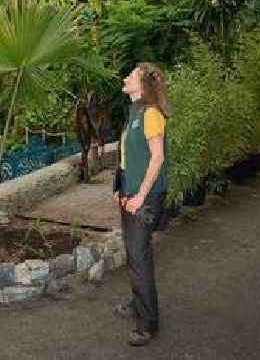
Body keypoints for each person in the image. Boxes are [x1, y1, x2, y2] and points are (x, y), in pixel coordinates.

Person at [112, 62, 170, 347]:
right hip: (130, 196)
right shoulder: (133, 111)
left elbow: (157, 158)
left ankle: (148, 323)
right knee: (134, 256)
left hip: (143, 201)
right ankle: (138, 305)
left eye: (131, 76)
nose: (125, 78)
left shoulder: (151, 114)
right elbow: (126, 157)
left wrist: (140, 197)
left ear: (143, 84)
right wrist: (119, 188)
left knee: (139, 259)